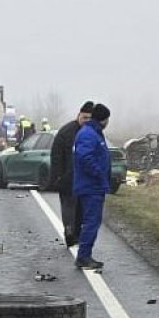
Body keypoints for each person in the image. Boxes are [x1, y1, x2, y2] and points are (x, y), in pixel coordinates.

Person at [73, 103, 112, 270]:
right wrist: (99, 173)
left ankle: (85, 255)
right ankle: (83, 257)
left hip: (94, 185)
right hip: (90, 186)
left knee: (92, 221)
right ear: (102, 119)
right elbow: (85, 157)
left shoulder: (94, 133)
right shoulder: (89, 134)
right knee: (91, 222)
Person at [49, 101, 94, 247]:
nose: (86, 121)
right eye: (84, 118)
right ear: (78, 115)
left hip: (85, 179)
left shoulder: (93, 133)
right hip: (67, 177)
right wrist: (56, 176)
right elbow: (56, 155)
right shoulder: (66, 132)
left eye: (89, 118)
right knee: (68, 206)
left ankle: (76, 234)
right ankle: (69, 231)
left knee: (81, 208)